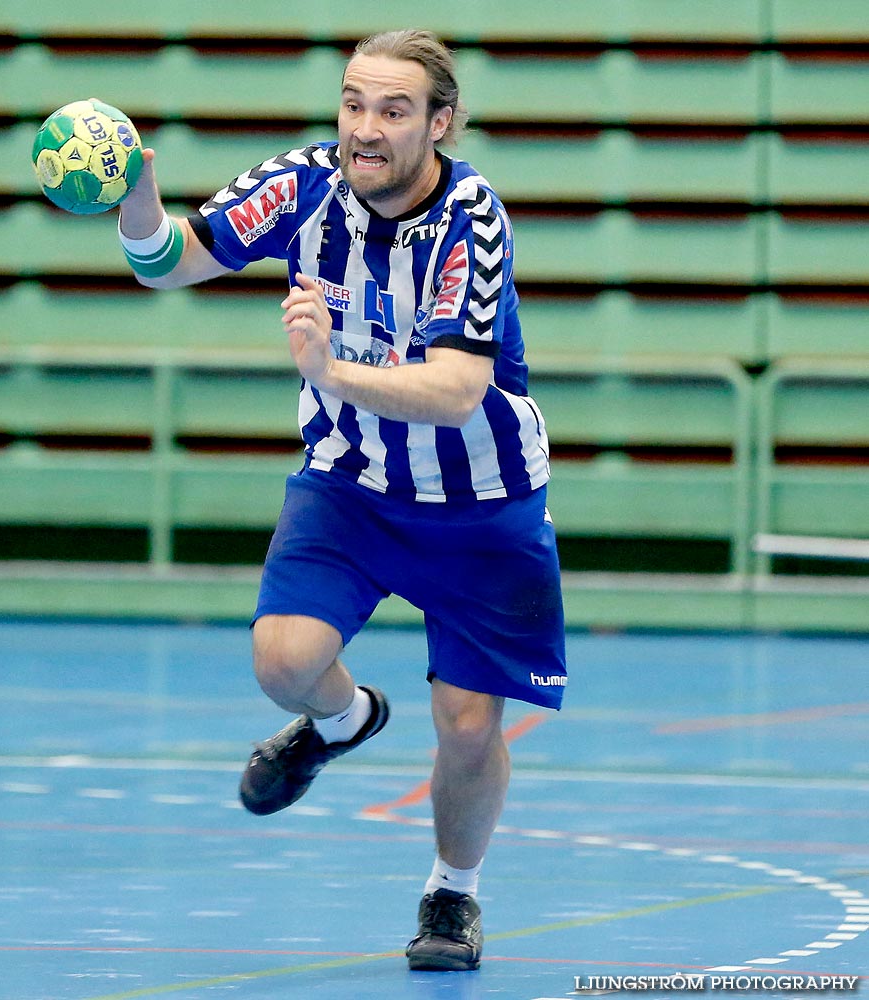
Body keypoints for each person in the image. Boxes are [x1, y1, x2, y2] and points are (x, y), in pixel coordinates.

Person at [116, 28, 566, 972]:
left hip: (479, 500)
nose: (366, 128)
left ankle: (452, 894)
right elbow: (170, 261)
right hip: (351, 485)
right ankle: (343, 719)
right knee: (282, 661)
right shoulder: (304, 182)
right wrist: (135, 205)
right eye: (354, 102)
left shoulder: (471, 217)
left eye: (394, 110)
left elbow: (454, 390)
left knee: (470, 723)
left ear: (440, 124)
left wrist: (332, 368)